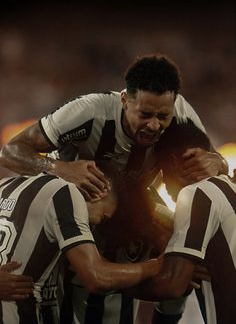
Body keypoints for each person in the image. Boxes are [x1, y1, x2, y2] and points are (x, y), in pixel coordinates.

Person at [0, 54, 228, 324]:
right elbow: (10, 152)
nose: (154, 125)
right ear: (124, 100)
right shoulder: (88, 112)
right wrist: (58, 168)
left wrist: (220, 162)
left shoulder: (182, 114)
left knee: (185, 264)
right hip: (77, 211)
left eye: (162, 117)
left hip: (135, 209)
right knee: (64, 286)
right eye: (144, 114)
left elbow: (205, 168)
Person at [0, 161, 164, 324]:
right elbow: (98, 277)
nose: (93, 226)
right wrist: (156, 265)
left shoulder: (6, 185)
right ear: (100, 192)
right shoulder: (66, 194)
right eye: (103, 217)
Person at [131, 123, 236, 324]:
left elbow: (172, 285)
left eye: (160, 172)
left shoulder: (196, 194)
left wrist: (112, 283)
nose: (162, 183)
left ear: (170, 163)